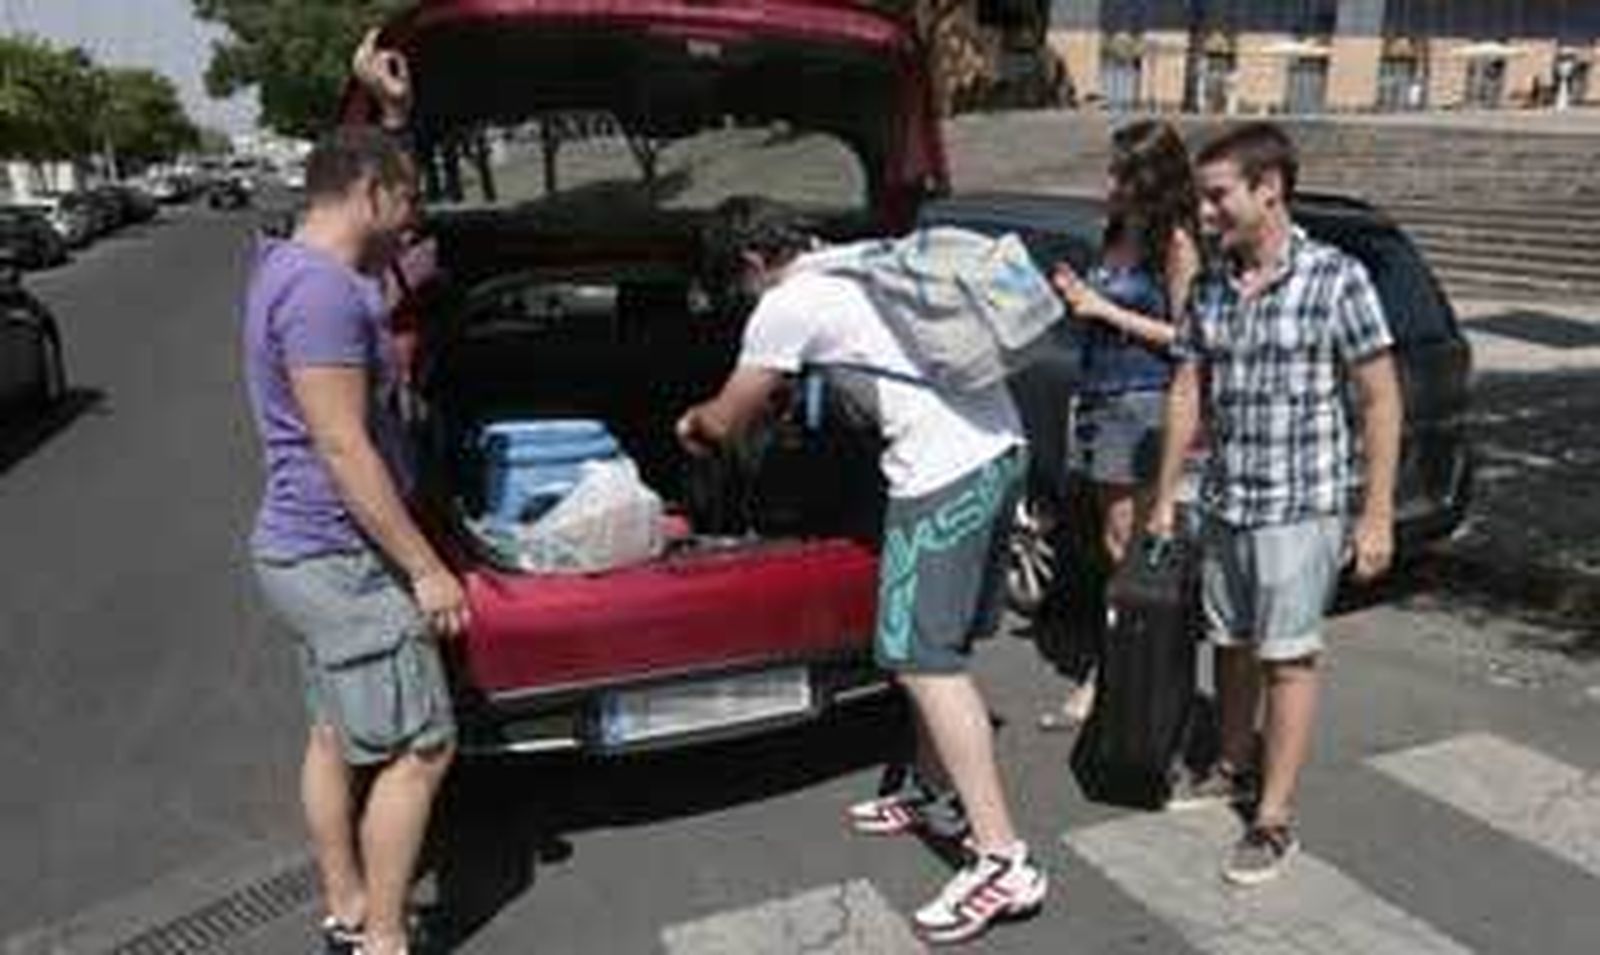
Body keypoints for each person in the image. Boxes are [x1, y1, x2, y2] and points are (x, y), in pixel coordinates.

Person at [676, 199, 1047, 945]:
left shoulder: (787, 302)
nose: (741, 295)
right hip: (1002, 449)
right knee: (943, 649)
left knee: (921, 660)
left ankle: (1002, 858)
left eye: (735, 283)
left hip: (941, 474)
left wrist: (692, 423)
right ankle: (929, 789)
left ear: (750, 263)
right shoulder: (864, 257)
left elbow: (728, 417)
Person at [244, 34, 465, 955]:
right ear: (370, 194)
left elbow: (364, 186)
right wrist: (427, 568)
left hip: (302, 550)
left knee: (335, 733)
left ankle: (345, 903)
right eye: (406, 200)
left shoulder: (291, 262)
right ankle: (383, 938)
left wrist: (389, 114)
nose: (412, 221)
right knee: (423, 748)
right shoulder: (325, 297)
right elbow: (344, 446)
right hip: (341, 555)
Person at [1146, 122, 1402, 885]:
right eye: (1203, 197)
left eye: (1218, 195)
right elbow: (1187, 389)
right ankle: (1232, 762)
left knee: (1287, 657)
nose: (1206, 211)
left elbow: (1381, 398)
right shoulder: (1211, 285)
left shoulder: (1336, 278)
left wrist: (1376, 513)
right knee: (1230, 642)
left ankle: (1273, 817)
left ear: (1269, 189)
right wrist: (1165, 496)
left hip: (1302, 504)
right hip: (1226, 498)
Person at [1038, 118, 1201, 731]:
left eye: (1120, 172)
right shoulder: (1115, 234)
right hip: (1098, 398)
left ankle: (1117, 671)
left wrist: (1104, 308)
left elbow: (1189, 338)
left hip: (1142, 402)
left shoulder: (1176, 244)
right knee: (1111, 543)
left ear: (1149, 179)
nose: (1107, 182)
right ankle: (1128, 661)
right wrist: (1077, 295)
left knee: (1126, 546)